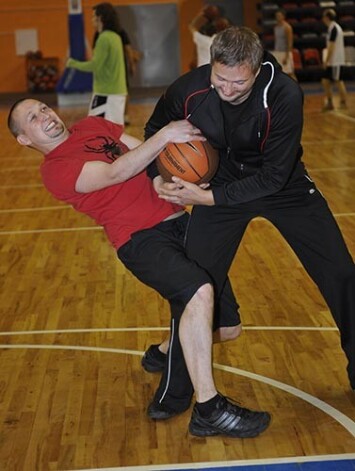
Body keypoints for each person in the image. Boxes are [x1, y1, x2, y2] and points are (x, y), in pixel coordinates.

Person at [7, 98, 271, 438]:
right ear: (24, 139)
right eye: (32, 118)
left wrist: (165, 180)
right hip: (140, 240)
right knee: (198, 292)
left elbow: (145, 157)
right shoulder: (54, 170)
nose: (44, 115)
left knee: (229, 327)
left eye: (43, 108)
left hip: (180, 221)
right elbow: (114, 171)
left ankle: (162, 352)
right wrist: (164, 135)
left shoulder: (92, 125)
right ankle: (209, 409)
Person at [144, 26, 355, 392]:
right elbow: (154, 131)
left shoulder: (285, 94)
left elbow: (274, 177)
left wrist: (207, 199)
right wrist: (155, 178)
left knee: (341, 274)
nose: (226, 90)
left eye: (238, 84)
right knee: (192, 283)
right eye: (219, 79)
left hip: (282, 185)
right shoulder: (189, 88)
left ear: (257, 70)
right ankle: (175, 386)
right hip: (221, 179)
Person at [67, 2, 128, 124]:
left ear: (100, 18)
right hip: (117, 92)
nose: (92, 20)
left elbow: (94, 65)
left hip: (106, 93)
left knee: (96, 127)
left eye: (94, 16)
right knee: (114, 129)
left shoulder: (104, 38)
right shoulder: (115, 37)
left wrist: (72, 63)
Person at [321, 8, 348, 111]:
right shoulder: (332, 28)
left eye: (324, 16)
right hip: (332, 60)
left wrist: (326, 61)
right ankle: (330, 102)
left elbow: (331, 46)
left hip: (336, 60)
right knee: (325, 80)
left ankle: (343, 102)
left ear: (327, 17)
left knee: (338, 81)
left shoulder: (334, 28)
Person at [272, 9, 297, 81]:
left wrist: (287, 56)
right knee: (278, 73)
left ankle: (297, 89)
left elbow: (289, 42)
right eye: (277, 16)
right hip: (277, 51)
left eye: (279, 16)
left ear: (283, 17)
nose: (278, 17)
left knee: (290, 73)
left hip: (285, 52)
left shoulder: (287, 27)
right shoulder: (276, 27)